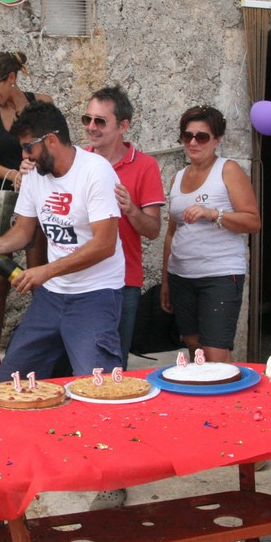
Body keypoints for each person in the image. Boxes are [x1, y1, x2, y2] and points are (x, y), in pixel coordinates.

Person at [0, 101, 125, 380]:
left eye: (28, 147)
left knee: (96, 382)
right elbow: (23, 230)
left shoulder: (96, 171)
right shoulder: (34, 174)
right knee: (12, 380)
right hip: (52, 296)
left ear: (51, 140)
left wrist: (46, 271)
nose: (24, 156)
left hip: (96, 293)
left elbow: (105, 245)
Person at [160, 106, 261, 364]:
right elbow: (171, 233)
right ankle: (209, 389)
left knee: (216, 351)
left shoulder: (228, 170)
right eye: (188, 136)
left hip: (219, 273)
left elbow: (253, 221)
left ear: (217, 140)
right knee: (194, 347)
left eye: (202, 137)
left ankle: (233, 389)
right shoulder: (177, 178)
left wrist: (213, 214)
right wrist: (166, 281)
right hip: (182, 275)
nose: (193, 142)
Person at [0, 51, 53, 378]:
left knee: (37, 271)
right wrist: (13, 174)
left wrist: (32, 171)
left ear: (11, 78)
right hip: (3, 195)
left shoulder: (42, 103)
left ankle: (43, 346)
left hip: (37, 195)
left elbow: (53, 146)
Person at [82, 85, 164, 362]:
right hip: (80, 278)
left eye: (100, 121)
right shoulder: (76, 160)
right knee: (77, 364)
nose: (91, 127)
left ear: (123, 126)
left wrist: (131, 210)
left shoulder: (145, 165)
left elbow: (153, 230)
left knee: (114, 363)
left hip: (123, 281)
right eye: (87, 119)